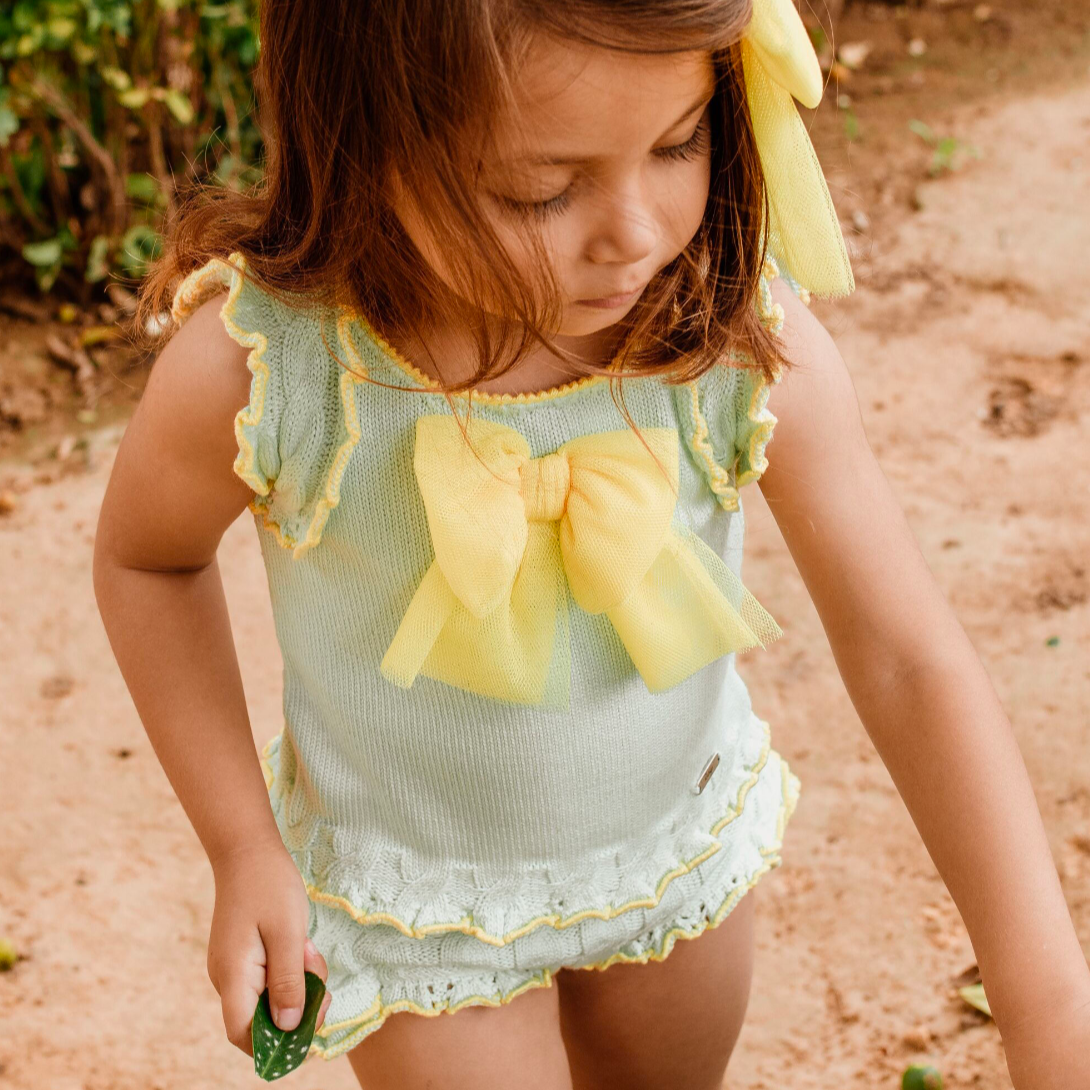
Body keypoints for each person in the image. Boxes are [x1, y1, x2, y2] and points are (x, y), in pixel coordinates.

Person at [93, 0, 1090, 1086]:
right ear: (364, 135)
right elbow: (150, 557)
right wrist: (243, 843)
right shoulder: (272, 367)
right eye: (540, 189)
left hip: (670, 871)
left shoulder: (731, 334)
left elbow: (906, 657)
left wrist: (1048, 1003)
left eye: (678, 141)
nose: (636, 232)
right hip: (427, 914)